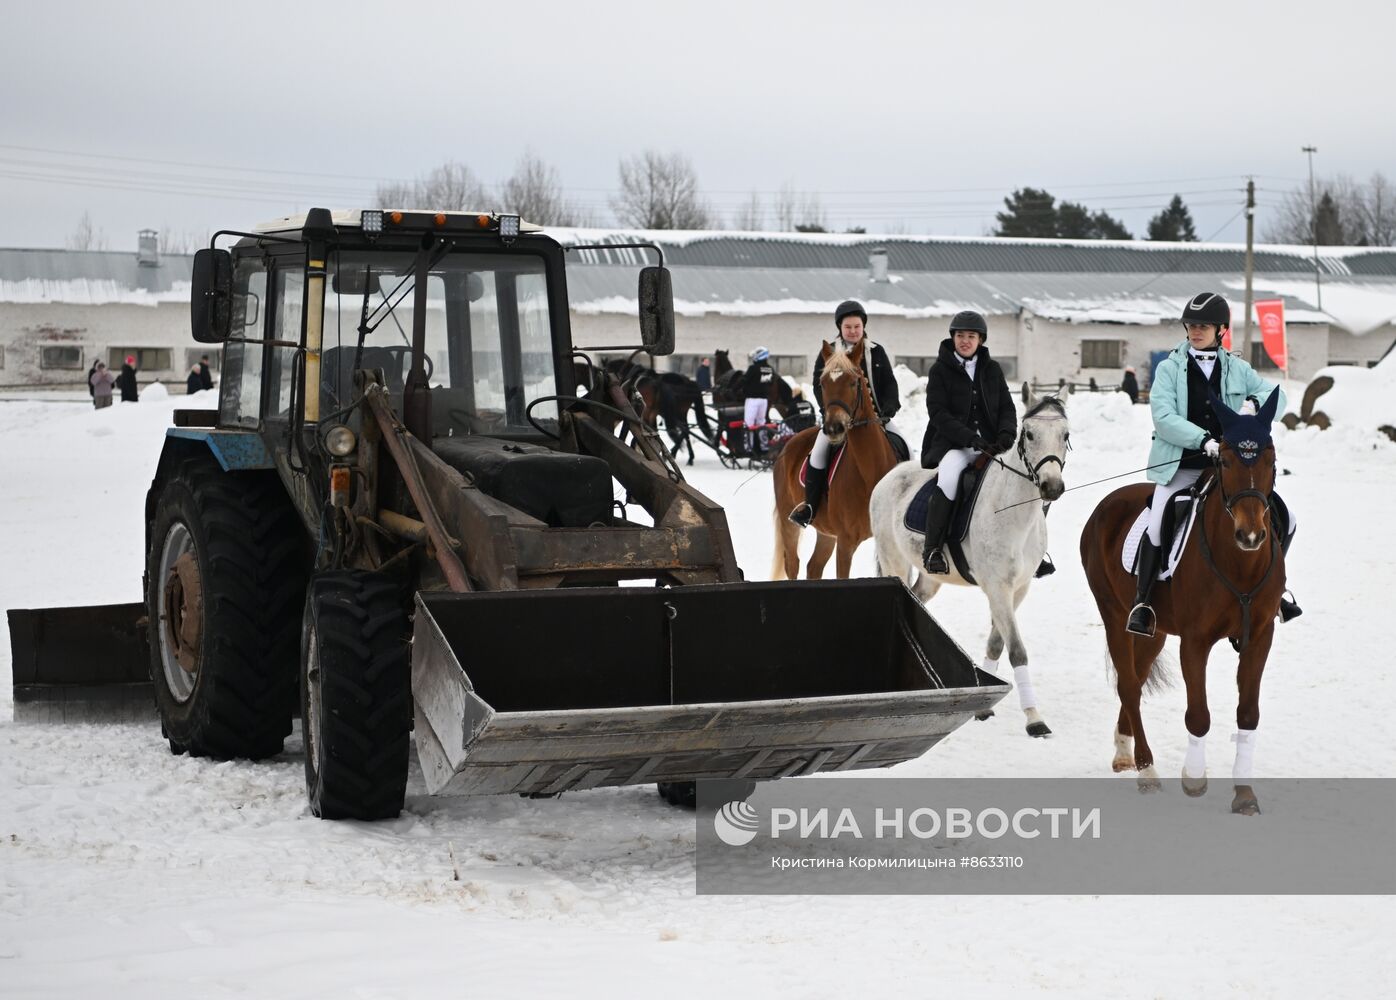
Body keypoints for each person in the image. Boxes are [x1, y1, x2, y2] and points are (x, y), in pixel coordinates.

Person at [1127, 291, 1300, 636]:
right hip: (1181, 465)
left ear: (1221, 329)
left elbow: (1277, 396)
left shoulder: (1238, 368)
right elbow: (1163, 417)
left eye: (1202, 325)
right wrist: (1203, 441)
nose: (1195, 330)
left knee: (1286, 517)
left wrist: (1252, 405)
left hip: (1229, 471)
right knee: (1159, 521)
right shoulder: (1168, 369)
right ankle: (1144, 603)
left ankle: (1274, 592)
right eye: (1191, 325)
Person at [917, 311, 1017, 574]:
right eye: (960, 335)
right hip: (955, 446)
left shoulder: (992, 369)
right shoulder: (939, 370)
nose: (965, 341)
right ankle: (933, 549)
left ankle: (1029, 549)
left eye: (970, 336)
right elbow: (938, 413)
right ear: (953, 338)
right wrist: (969, 438)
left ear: (980, 340)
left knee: (1022, 478)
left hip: (992, 446)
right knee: (949, 476)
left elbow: (1007, 406)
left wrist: (1007, 432)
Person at [789, 300, 904, 527]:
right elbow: (817, 385)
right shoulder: (829, 353)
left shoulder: (876, 352)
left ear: (863, 327)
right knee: (819, 452)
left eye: (857, 326)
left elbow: (889, 384)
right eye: (848, 327)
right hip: (839, 418)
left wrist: (889, 409)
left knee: (905, 447)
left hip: (876, 418)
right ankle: (810, 506)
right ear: (840, 328)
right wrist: (830, 413)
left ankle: (903, 501)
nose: (853, 331)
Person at [741, 347, 777, 456]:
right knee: (761, 423)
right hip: (764, 401)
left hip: (752, 400)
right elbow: (771, 383)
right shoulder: (770, 369)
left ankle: (749, 448)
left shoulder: (753, 368)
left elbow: (744, 381)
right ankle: (764, 447)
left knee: (748, 424)